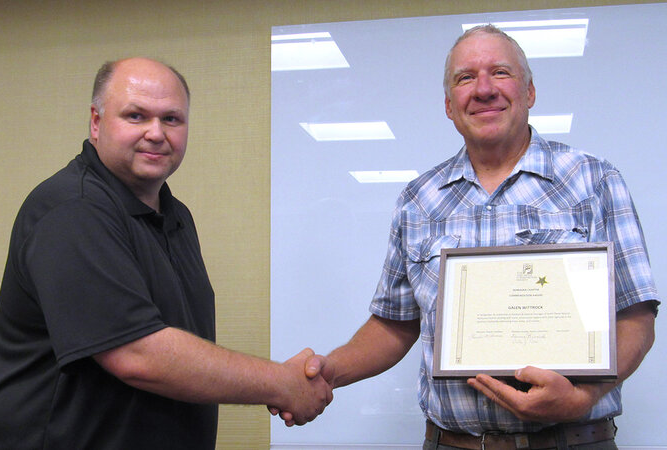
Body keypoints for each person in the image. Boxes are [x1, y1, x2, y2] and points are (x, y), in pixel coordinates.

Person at [274, 25, 659, 449]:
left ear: (529, 92)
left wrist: (583, 396)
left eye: (500, 72)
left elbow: (635, 317)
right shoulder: (418, 199)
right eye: (465, 78)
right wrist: (327, 371)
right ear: (448, 105)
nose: (483, 89)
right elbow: (393, 325)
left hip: (571, 440)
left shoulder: (594, 179)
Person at [0, 57, 332, 450]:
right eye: (136, 116)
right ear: (96, 122)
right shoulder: (71, 208)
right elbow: (139, 354)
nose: (156, 133)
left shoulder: (177, 217)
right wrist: (281, 383)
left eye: (171, 119)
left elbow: (175, 346)